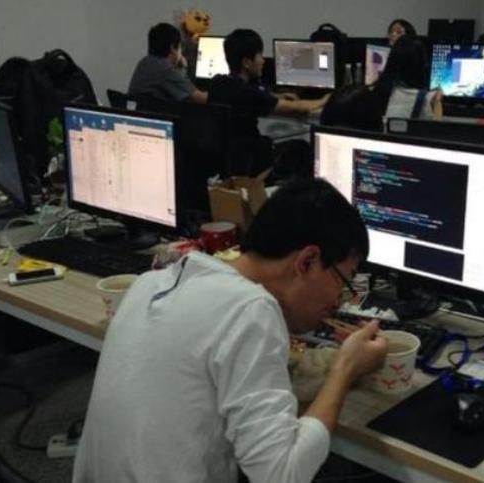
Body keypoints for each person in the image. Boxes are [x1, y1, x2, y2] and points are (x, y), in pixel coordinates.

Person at [73, 178, 388, 483]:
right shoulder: (251, 310)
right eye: (344, 281)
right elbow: (282, 474)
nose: (337, 301)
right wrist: (345, 368)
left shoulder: (150, 283)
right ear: (307, 261)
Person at [207, 29, 329, 174]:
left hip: (224, 161)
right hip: (248, 161)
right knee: (301, 148)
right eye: (259, 55)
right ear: (246, 62)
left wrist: (274, 96)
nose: (263, 60)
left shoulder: (217, 83)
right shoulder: (249, 93)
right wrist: (324, 100)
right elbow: (298, 107)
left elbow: (252, 95)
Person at [322, 34, 442, 132]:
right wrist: (437, 103)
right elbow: (436, 132)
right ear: (421, 65)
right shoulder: (422, 100)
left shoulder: (370, 92)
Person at [128, 23, 207, 103]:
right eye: (180, 47)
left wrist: (181, 68)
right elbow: (201, 99)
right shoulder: (165, 70)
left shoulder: (144, 62)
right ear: (173, 48)